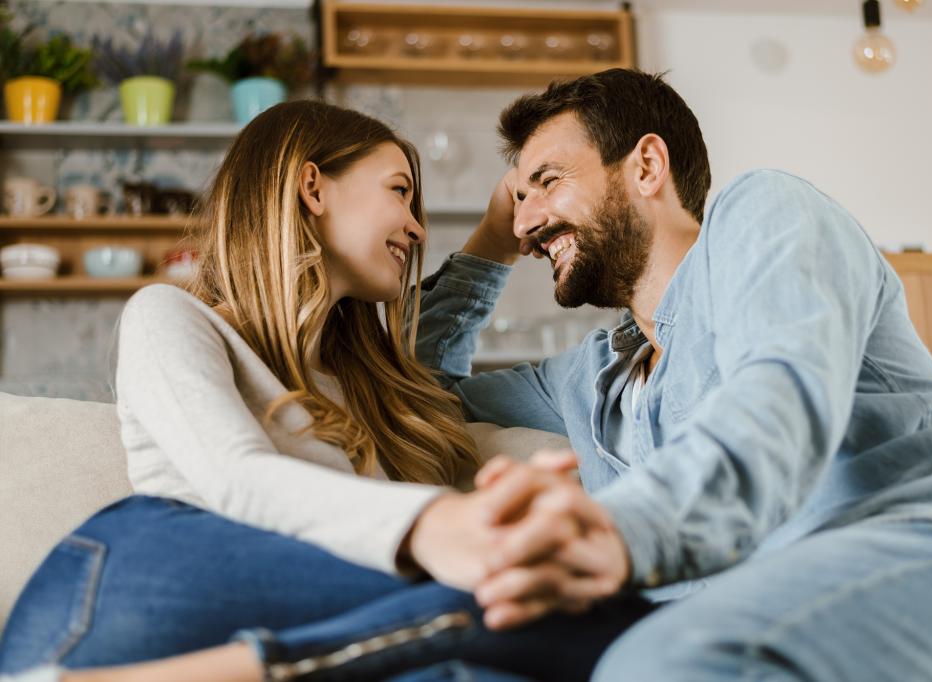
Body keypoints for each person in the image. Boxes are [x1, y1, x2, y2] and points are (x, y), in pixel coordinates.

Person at [0, 101, 654, 682]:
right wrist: (433, 526)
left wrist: (497, 238)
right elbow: (237, 480)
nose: (417, 227)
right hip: (116, 592)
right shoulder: (171, 315)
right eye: (399, 191)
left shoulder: (364, 389)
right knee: (539, 605)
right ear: (312, 186)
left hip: (294, 635)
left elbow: (428, 365)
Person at [411, 68, 932, 680]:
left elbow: (775, 405)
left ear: (647, 166)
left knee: (657, 667)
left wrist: (621, 530)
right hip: (745, 614)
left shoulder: (765, 213)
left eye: (548, 182)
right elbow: (414, 391)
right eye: (518, 201)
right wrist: (489, 241)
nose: (526, 222)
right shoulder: (588, 379)